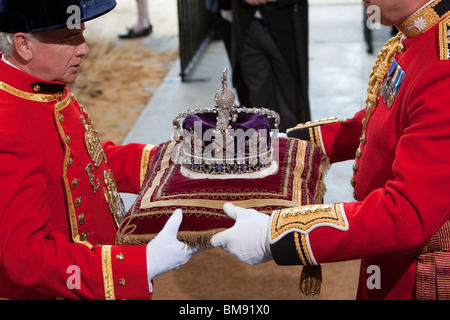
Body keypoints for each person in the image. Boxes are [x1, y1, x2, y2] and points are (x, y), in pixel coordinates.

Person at [211, 0, 450, 300]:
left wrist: (275, 234)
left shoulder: (444, 67)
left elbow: (407, 214)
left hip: (420, 268)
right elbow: (387, 119)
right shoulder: (422, 33)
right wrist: (289, 145)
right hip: (385, 247)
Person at [0, 0, 197, 300]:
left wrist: (172, 160)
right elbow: (26, 256)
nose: (85, 48)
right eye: (70, 39)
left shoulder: (41, 83)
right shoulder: (8, 125)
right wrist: (136, 267)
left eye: (82, 34)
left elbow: (88, 160)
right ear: (23, 45)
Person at [228, 0, 310, 132]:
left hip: (285, 16)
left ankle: (289, 147)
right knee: (255, 99)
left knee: (290, 97)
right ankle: (263, 147)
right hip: (245, 19)